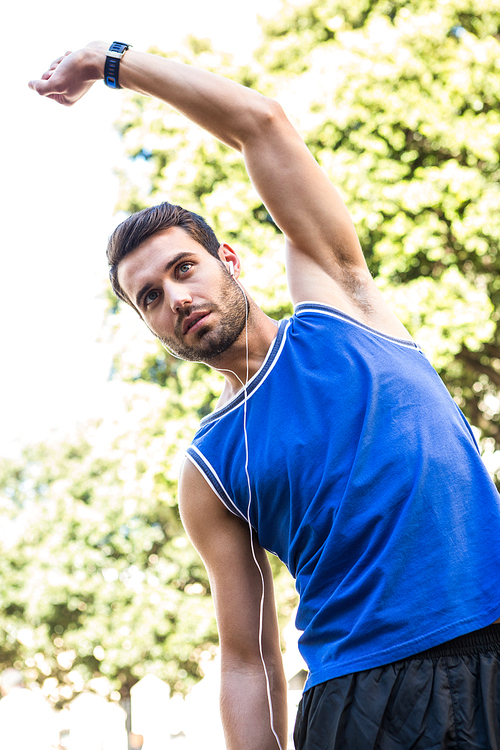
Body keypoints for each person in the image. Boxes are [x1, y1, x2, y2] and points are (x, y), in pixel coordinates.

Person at [29, 42, 500, 750]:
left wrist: (107, 61)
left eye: (184, 268)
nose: (176, 297)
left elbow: (263, 125)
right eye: (150, 297)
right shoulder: (208, 467)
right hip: (362, 704)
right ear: (149, 325)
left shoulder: (340, 300)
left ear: (228, 261)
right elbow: (248, 659)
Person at [0, 668, 60, 750]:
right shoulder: (37, 699)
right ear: (22, 682)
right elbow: (53, 728)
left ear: (3, 686)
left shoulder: (3, 705)